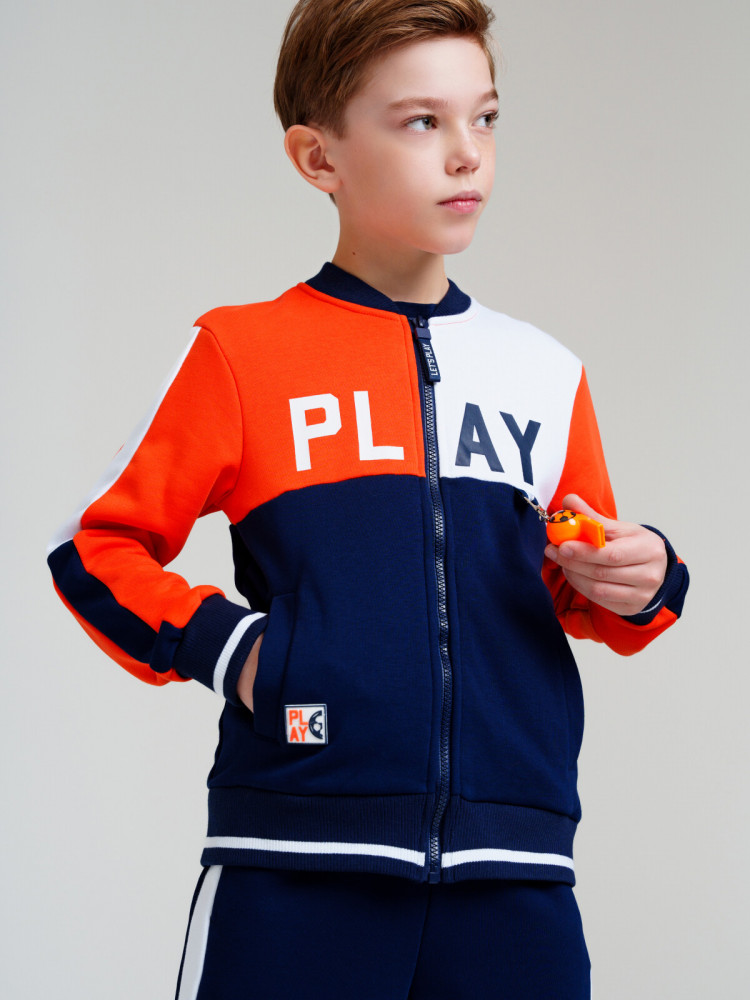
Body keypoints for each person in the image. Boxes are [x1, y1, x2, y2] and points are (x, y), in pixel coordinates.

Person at [47, 1, 689, 997]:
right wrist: (242, 653)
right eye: (422, 121)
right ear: (319, 158)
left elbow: (576, 586)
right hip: (296, 864)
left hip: (514, 875)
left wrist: (642, 578)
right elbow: (94, 550)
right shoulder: (243, 354)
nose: (467, 153)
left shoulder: (544, 373)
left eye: (484, 117)